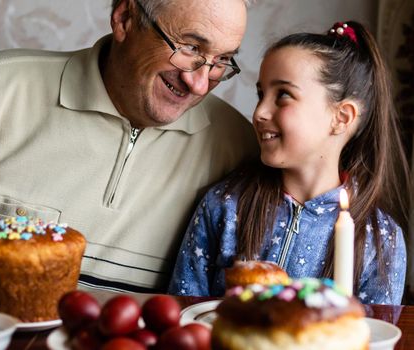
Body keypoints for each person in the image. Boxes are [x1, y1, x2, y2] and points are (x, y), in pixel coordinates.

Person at [0, 0, 258, 292]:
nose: (199, 83)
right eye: (190, 47)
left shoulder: (237, 147)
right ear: (126, 19)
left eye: (222, 60)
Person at [168, 21, 410, 304]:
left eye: (283, 95)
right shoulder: (225, 205)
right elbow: (184, 317)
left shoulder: (380, 239)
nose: (259, 112)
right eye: (261, 94)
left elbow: (374, 340)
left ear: (341, 117)